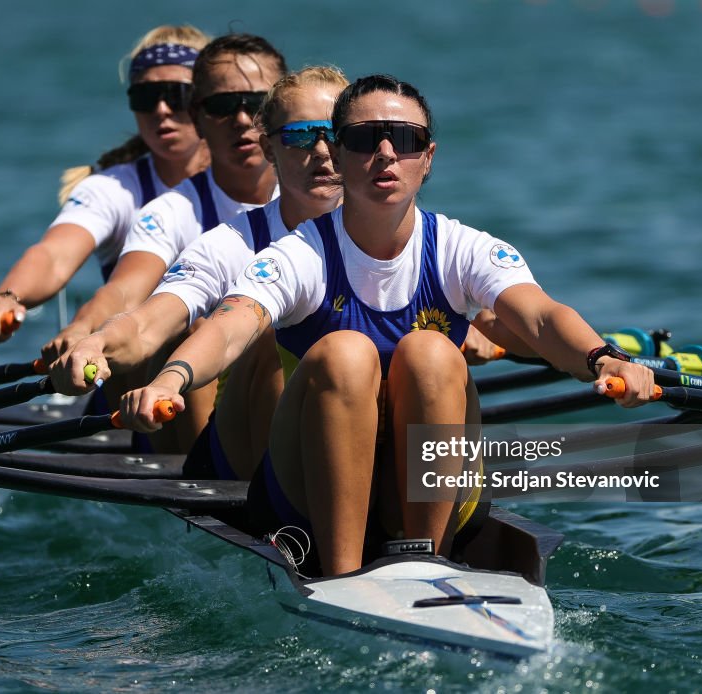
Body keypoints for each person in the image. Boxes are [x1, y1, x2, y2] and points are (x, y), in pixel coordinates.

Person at [117, 74, 656, 577]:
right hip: (308, 495)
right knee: (345, 353)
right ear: (339, 153)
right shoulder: (299, 254)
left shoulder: (463, 248)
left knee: (430, 352)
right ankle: (342, 575)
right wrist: (174, 378)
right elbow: (234, 322)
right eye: (365, 139)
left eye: (405, 138)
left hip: (432, 491)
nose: (385, 153)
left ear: (428, 158)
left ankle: (428, 564)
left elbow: (539, 314)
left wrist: (604, 358)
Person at [50, 66, 348, 480]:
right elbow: (149, 321)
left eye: (335, 135)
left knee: (432, 357)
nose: (321, 151)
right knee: (272, 334)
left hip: (355, 433)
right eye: (300, 135)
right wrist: (95, 341)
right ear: (269, 148)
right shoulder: (227, 241)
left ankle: (432, 516)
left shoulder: (426, 238)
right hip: (246, 442)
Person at [45, 33, 287, 450]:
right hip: (192, 406)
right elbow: (126, 295)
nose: (244, 120)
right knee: (201, 327)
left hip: (306, 410)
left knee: (425, 358)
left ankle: (436, 485)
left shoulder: (417, 231)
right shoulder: (184, 218)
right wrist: (87, 334)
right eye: (224, 105)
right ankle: (199, 473)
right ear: (201, 115)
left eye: (259, 105)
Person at [0, 24, 211, 345]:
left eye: (177, 95)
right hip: (137, 374)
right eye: (146, 97)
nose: (161, 110)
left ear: (208, 100)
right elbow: (54, 256)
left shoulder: (256, 181)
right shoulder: (112, 188)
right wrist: (9, 297)